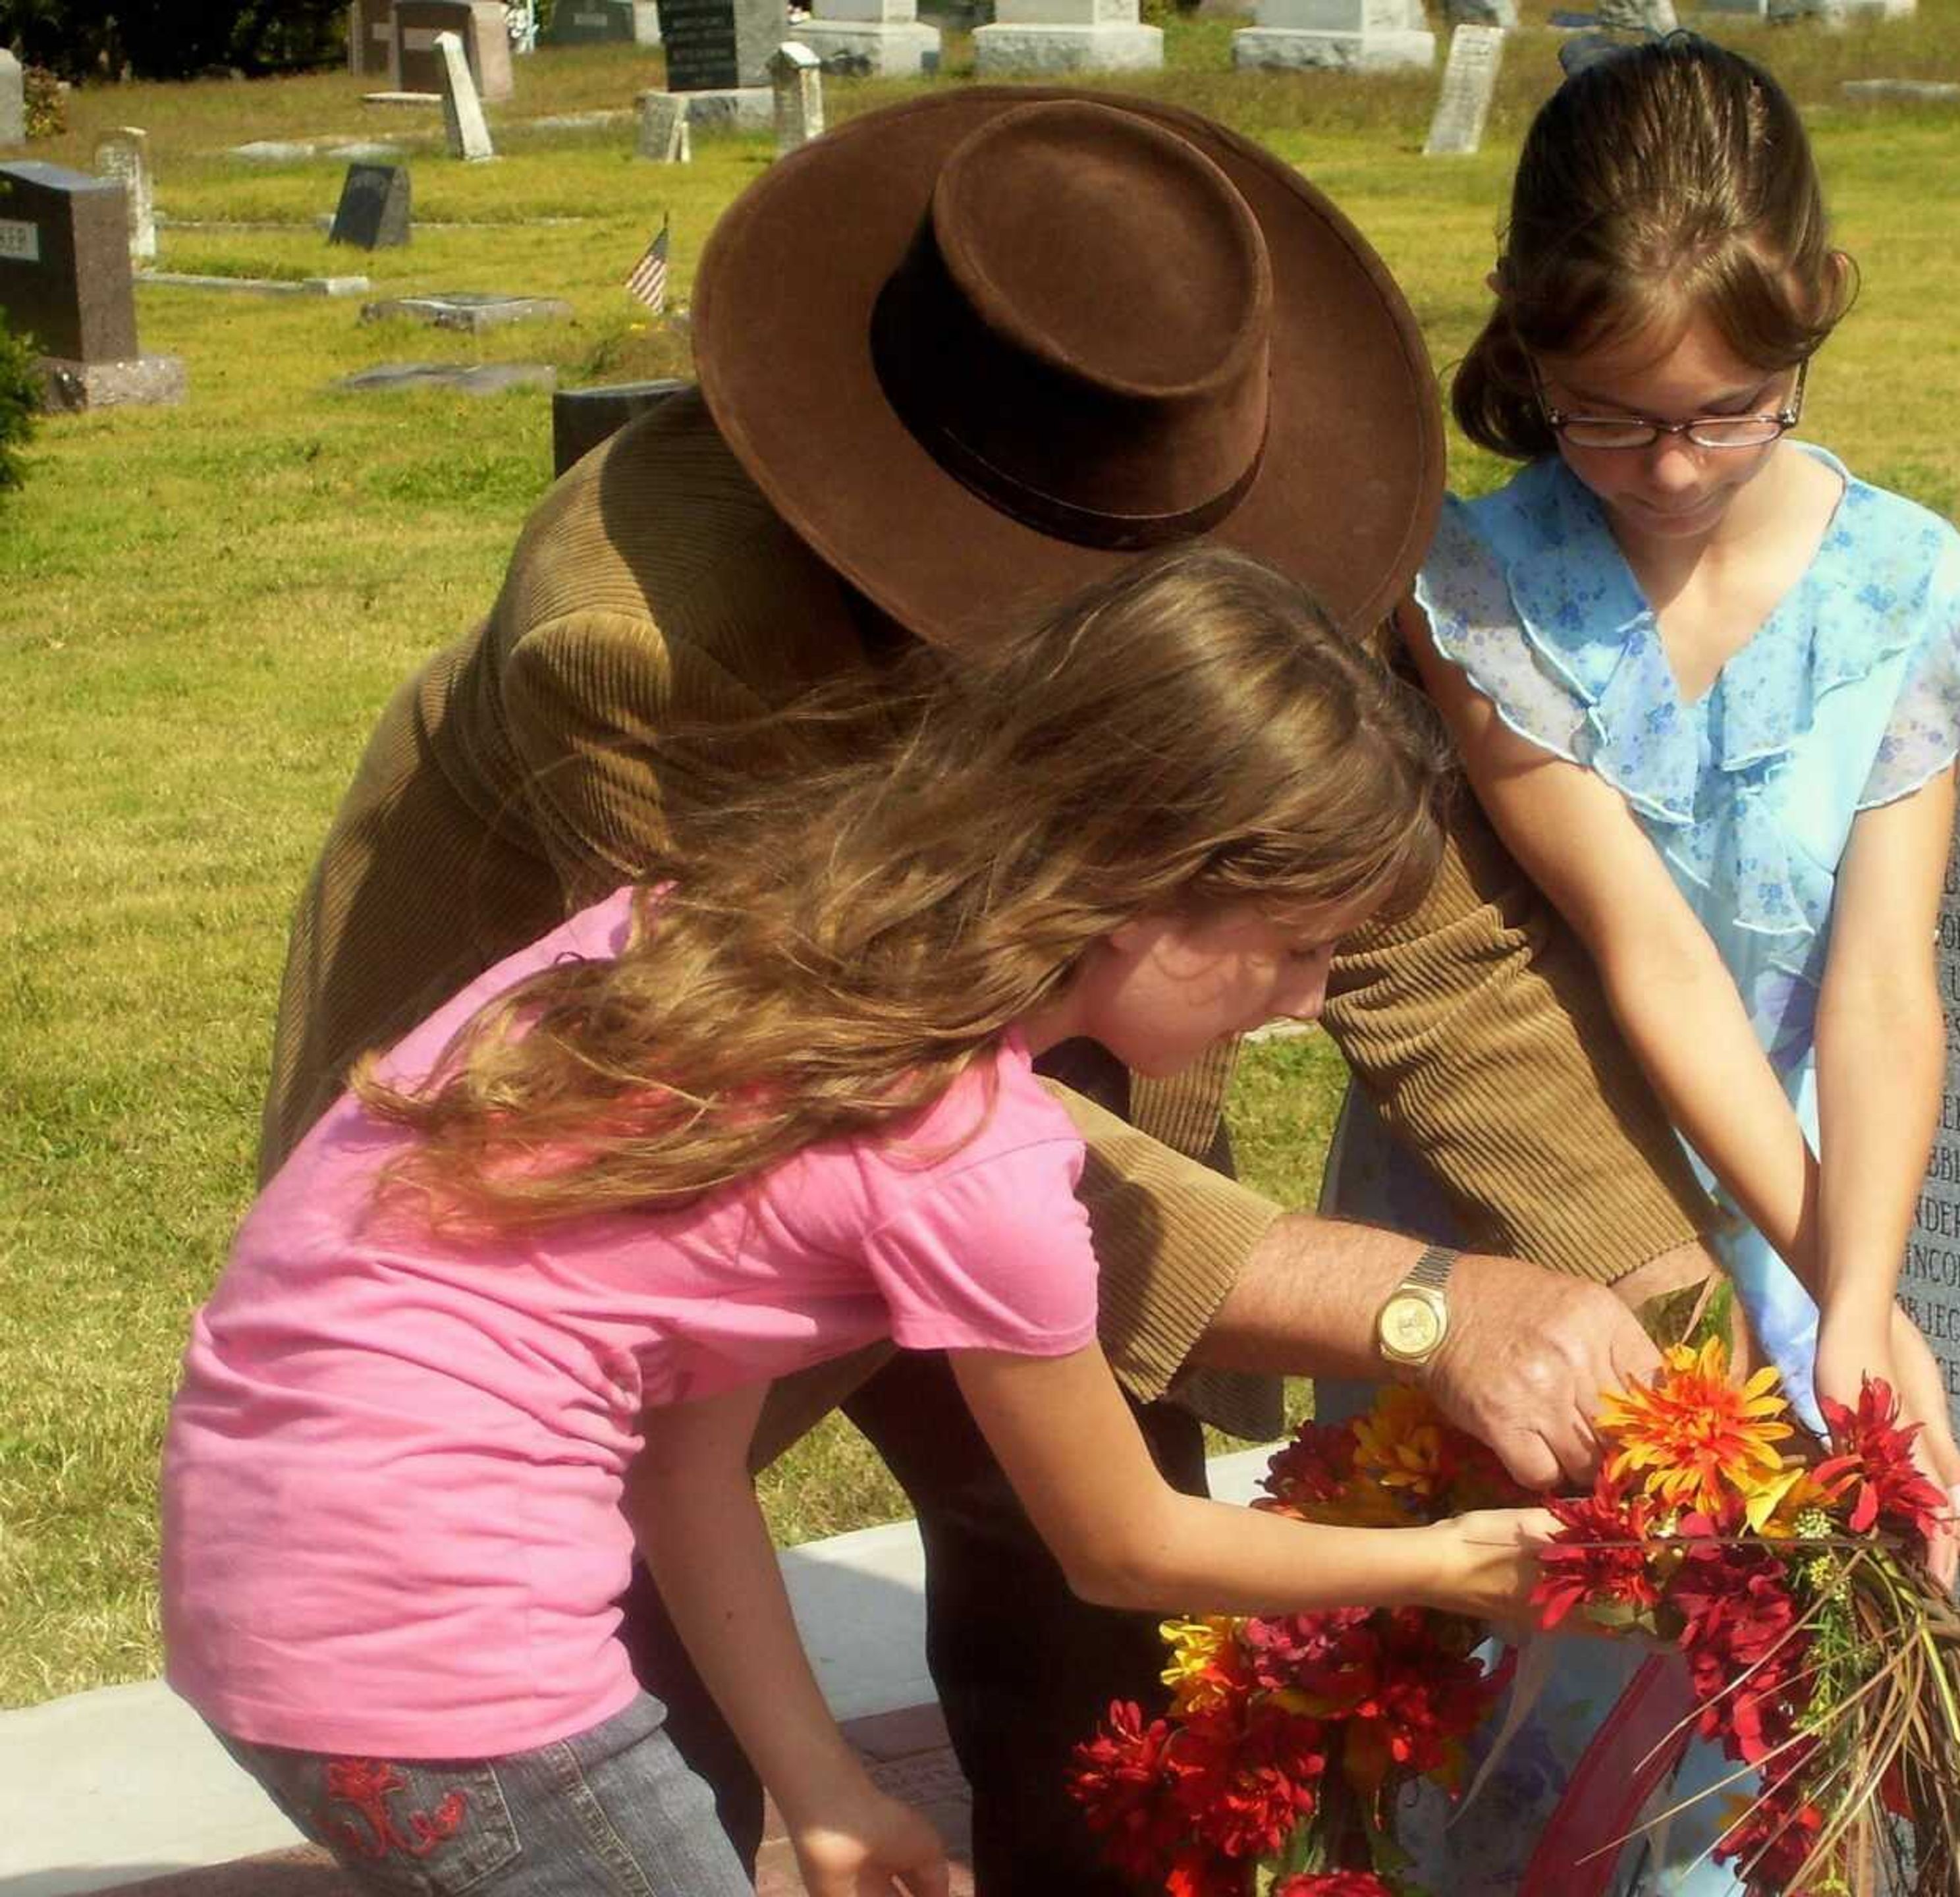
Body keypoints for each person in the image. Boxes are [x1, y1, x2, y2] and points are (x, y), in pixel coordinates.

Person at [254, 88, 1782, 1893]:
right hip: (597, 1223)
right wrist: (1427, 1309)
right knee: (646, 1732)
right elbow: (850, 1098)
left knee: (1102, 1697)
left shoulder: (1276, 546)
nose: (1304, 995)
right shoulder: (654, 642)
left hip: (1019, 1107)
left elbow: (1436, 954)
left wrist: (1683, 1342)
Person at [163, 546, 1567, 1897]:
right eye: (1299, 944)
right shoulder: (964, 1149)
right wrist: (1454, 1564)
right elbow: (1124, 1544)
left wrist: (818, 1781)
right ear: (1150, 897)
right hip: (440, 1646)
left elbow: (683, 1457)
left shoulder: (736, 937)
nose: (1309, 999)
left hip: (269, 1575)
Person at [1396, 32, 1960, 1892]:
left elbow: (1885, 978)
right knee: (1502, 1724)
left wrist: (1852, 1294)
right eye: (1607, 415)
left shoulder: (1903, 587)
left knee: (1740, 1772)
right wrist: (1841, 1280)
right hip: (1548, 1181)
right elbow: (1646, 946)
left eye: (1732, 410)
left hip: (1818, 1188)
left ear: (1814, 320)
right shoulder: (1480, 589)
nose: (1669, 470)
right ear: (1524, 345)